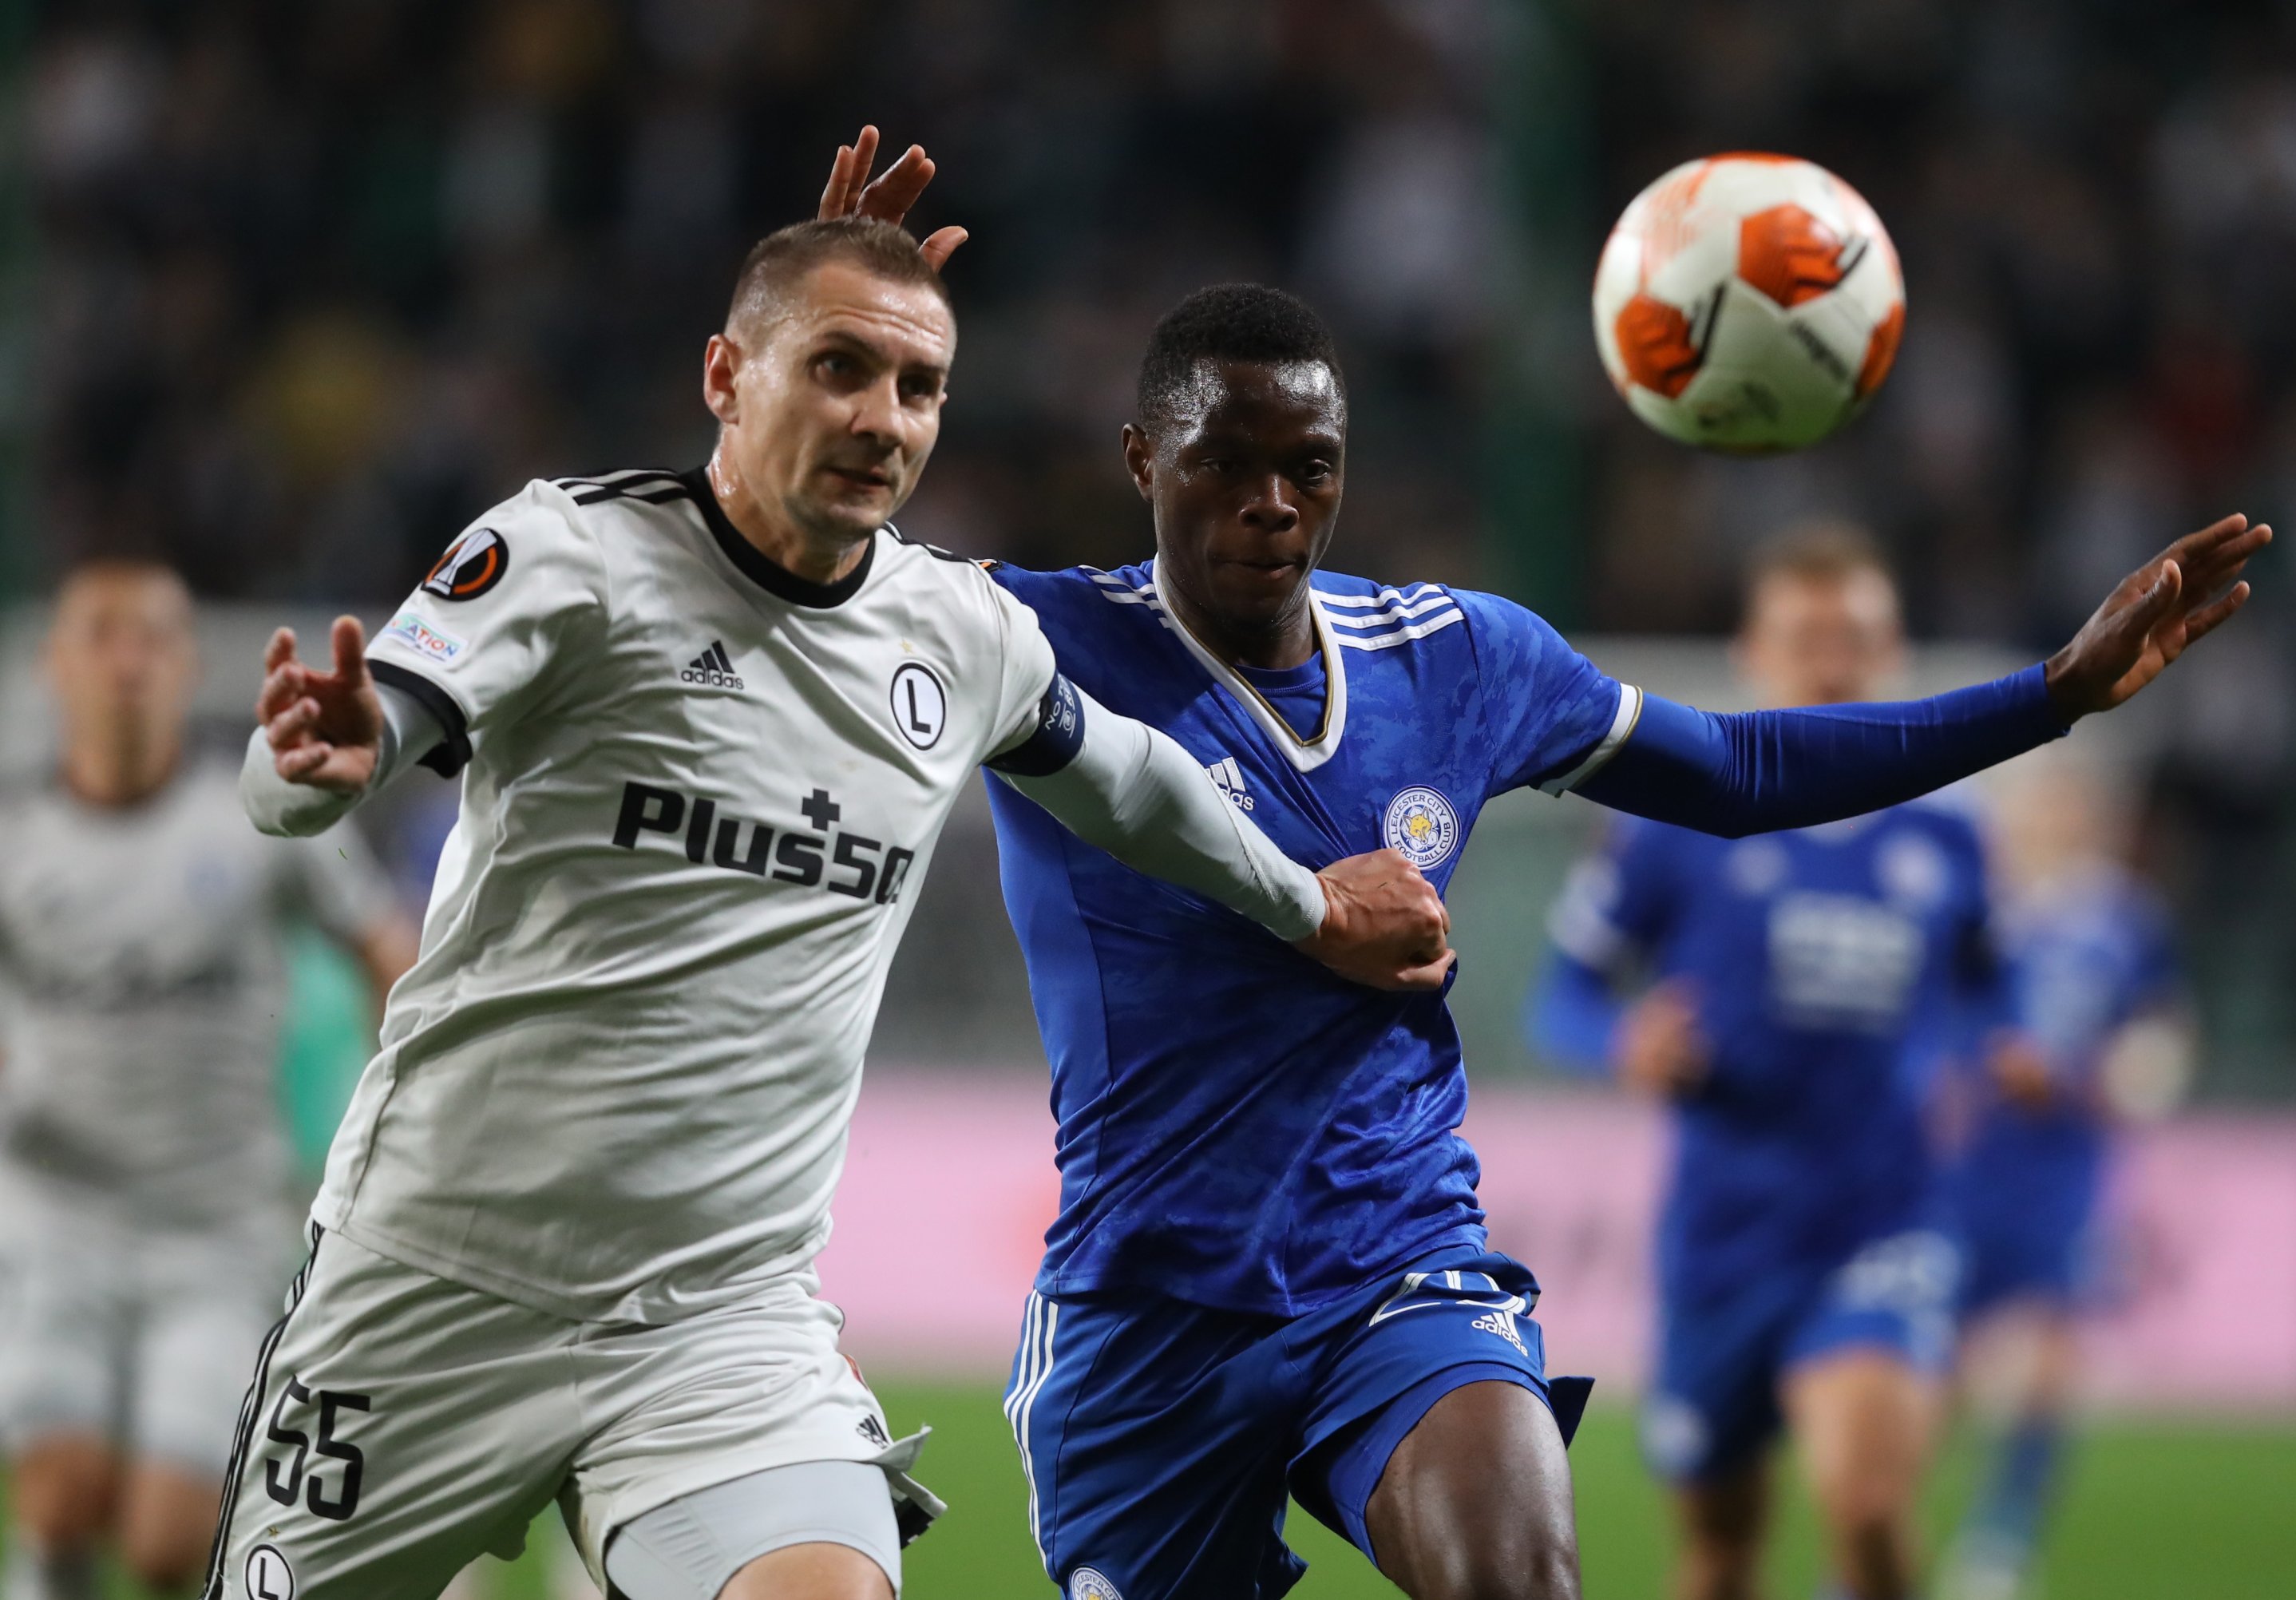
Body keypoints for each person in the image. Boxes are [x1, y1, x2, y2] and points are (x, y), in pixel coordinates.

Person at [213, 129, 1451, 1600]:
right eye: (840, 369)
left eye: (920, 385)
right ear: (725, 379)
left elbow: (1129, 780)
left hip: (718, 1322)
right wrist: (318, 761)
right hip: (435, 1283)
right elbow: (312, 767)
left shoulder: (956, 633)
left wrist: (1307, 901)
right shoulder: (570, 557)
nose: (886, 419)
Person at [966, 274, 2262, 1600]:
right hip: (1148, 1303)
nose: (1274, 504)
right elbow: (804, 605)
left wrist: (2049, 698)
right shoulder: (1030, 641)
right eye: (1224, 464)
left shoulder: (1456, 658)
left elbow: (1741, 768)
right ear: (1142, 459)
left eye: (1310, 465)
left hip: (1395, 1263)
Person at [1530, 527, 2031, 1600]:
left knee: (1867, 1499)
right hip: (1722, 1238)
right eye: (1808, 637)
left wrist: (2000, 1048)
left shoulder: (1951, 839)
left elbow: (1998, 985)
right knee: (1719, 1556)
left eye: (1856, 638)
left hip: (1884, 1218)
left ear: (1893, 654)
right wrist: (1625, 1041)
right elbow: (1561, 994)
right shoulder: (1671, 827)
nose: (1833, 661)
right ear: (1751, 652)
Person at [0, 559, 416, 1600]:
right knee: (58, 1498)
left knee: (164, 1544)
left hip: (218, 1228)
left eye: (153, 638)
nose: (127, 662)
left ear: (190, 666)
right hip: (56, 1213)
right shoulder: (14, 844)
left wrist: (415, 1115)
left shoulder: (256, 823)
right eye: (101, 634)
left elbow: (385, 953)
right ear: (56, 665)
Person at [1931, 756, 2190, 1600]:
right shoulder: (1971, 910)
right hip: (1956, 1169)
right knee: (1936, 1364)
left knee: (2049, 1355)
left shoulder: (2122, 919)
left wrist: (2115, 1080)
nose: (2052, 821)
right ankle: (1887, 1523)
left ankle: (2000, 1542)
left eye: (2067, 808)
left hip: (2062, 1169)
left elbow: (2159, 1039)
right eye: (2038, 808)